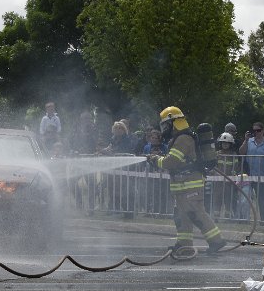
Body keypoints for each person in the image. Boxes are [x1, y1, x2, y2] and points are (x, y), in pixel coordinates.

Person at [147, 106, 225, 254]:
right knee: (182, 215)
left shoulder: (184, 138)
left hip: (190, 183)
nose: (164, 129)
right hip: (181, 184)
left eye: (166, 125)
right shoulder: (178, 138)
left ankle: (216, 241)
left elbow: (171, 162)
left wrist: (155, 159)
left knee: (196, 212)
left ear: (174, 122)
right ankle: (184, 244)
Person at [238, 121, 264, 224]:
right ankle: (244, 220)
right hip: (249, 175)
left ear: (263, 131)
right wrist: (245, 140)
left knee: (262, 199)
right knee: (245, 198)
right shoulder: (249, 141)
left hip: (263, 176)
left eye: (258, 130)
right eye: (254, 130)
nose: (256, 132)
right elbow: (241, 152)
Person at [100, 121, 136, 217]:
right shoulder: (113, 139)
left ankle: (128, 212)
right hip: (113, 169)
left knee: (124, 191)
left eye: (120, 128)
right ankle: (114, 210)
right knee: (112, 190)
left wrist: (110, 153)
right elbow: (109, 148)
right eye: (116, 128)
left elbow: (123, 150)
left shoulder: (127, 140)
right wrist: (103, 150)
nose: (118, 130)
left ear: (124, 130)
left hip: (124, 169)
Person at [212, 132, 238, 219]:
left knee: (228, 198)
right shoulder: (217, 154)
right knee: (217, 198)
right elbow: (213, 167)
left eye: (227, 143)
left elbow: (236, 167)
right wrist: (216, 173)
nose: (225, 144)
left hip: (228, 181)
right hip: (218, 181)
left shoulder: (233, 155)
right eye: (223, 142)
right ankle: (216, 216)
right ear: (220, 143)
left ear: (230, 144)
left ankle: (227, 216)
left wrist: (232, 175)